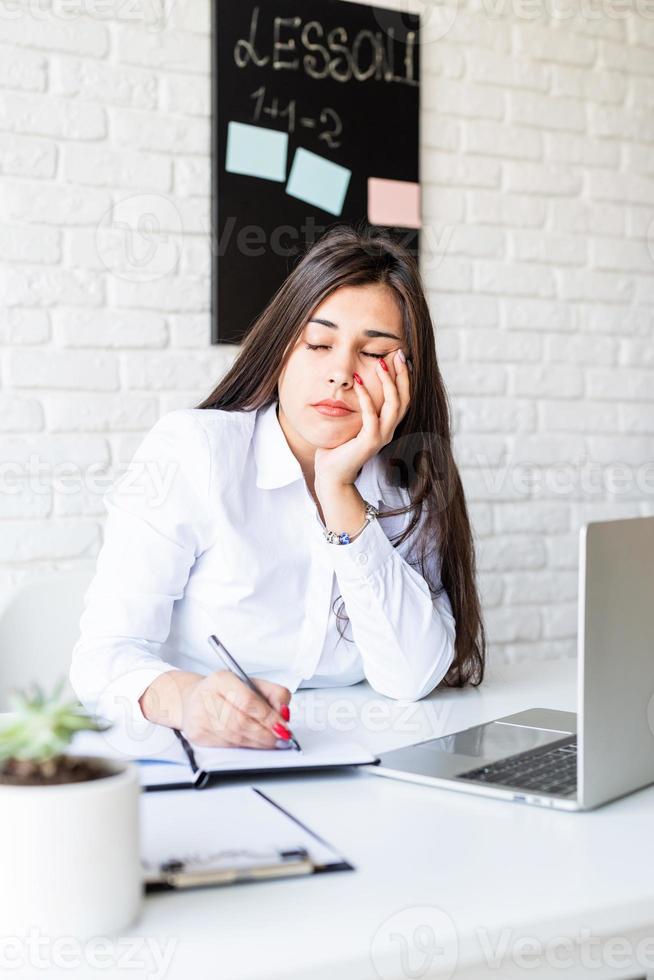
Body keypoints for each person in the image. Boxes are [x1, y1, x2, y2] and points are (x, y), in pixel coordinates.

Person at [70, 224, 486, 750]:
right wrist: (189, 701)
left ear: (407, 374)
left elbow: (410, 677)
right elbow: (104, 656)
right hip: (201, 755)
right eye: (319, 342)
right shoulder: (194, 452)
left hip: (356, 758)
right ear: (283, 347)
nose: (340, 373)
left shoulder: (409, 483)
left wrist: (341, 494)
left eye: (374, 352)